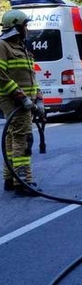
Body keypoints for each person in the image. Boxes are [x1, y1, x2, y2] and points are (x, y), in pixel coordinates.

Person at [0, 10, 44, 196]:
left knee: (12, 139)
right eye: (25, 25)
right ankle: (23, 182)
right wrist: (21, 96)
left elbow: (32, 78)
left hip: (26, 102)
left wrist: (39, 99)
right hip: (13, 101)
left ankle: (10, 179)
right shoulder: (3, 46)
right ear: (17, 26)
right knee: (23, 139)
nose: (27, 29)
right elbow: (0, 76)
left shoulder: (22, 48)